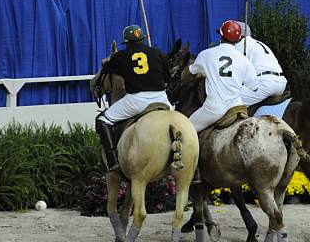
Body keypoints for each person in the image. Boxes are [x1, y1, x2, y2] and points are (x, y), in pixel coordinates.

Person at [95, 24, 171, 171]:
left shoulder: (121, 56)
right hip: (162, 98)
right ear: (142, 39)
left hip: (137, 101)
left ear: (127, 42)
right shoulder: (158, 53)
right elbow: (167, 78)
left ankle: (112, 161)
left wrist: (107, 61)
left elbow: (108, 69)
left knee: (103, 120)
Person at [187, 20, 258, 132]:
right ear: (239, 39)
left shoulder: (206, 54)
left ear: (221, 36)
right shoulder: (244, 60)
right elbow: (254, 86)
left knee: (186, 130)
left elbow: (192, 71)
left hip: (214, 108)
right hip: (237, 107)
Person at [233, 21, 287, 106]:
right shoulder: (260, 43)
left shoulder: (240, 44)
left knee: (229, 102)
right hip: (281, 83)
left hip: (264, 83)